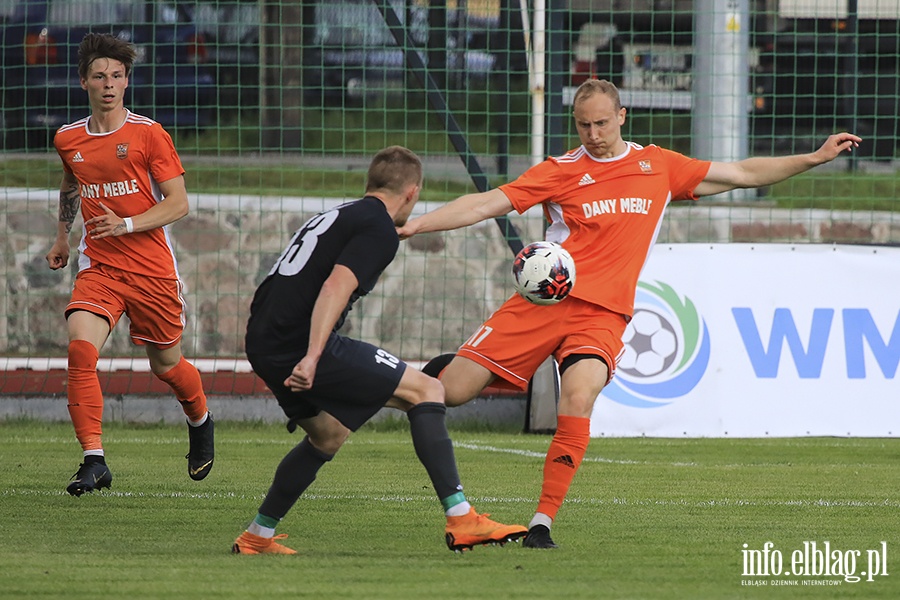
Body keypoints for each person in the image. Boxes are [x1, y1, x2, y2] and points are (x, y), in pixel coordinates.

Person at [398, 79, 861, 549]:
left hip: (602, 314)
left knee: (578, 398)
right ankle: (374, 383)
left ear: (622, 117)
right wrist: (417, 223)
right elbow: (485, 203)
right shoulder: (560, 170)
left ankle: (541, 524)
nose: (593, 133)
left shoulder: (657, 166)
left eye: (601, 122)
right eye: (583, 125)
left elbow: (741, 172)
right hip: (544, 304)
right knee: (449, 392)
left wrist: (813, 158)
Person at [232, 145, 527, 555]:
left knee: (328, 437)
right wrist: (313, 355)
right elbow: (336, 286)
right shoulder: (379, 228)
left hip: (263, 341)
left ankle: (256, 537)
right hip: (300, 343)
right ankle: (462, 519)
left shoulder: (338, 215)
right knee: (427, 391)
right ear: (412, 193)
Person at [46, 33, 214, 497]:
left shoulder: (148, 134)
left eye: (117, 76)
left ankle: (200, 419)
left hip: (151, 270)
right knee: (80, 350)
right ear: (84, 82)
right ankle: (94, 460)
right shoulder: (68, 138)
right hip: (99, 267)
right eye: (99, 76)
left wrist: (129, 223)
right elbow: (70, 184)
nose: (108, 84)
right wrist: (63, 235)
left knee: (167, 364)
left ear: (126, 82)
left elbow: (178, 203)